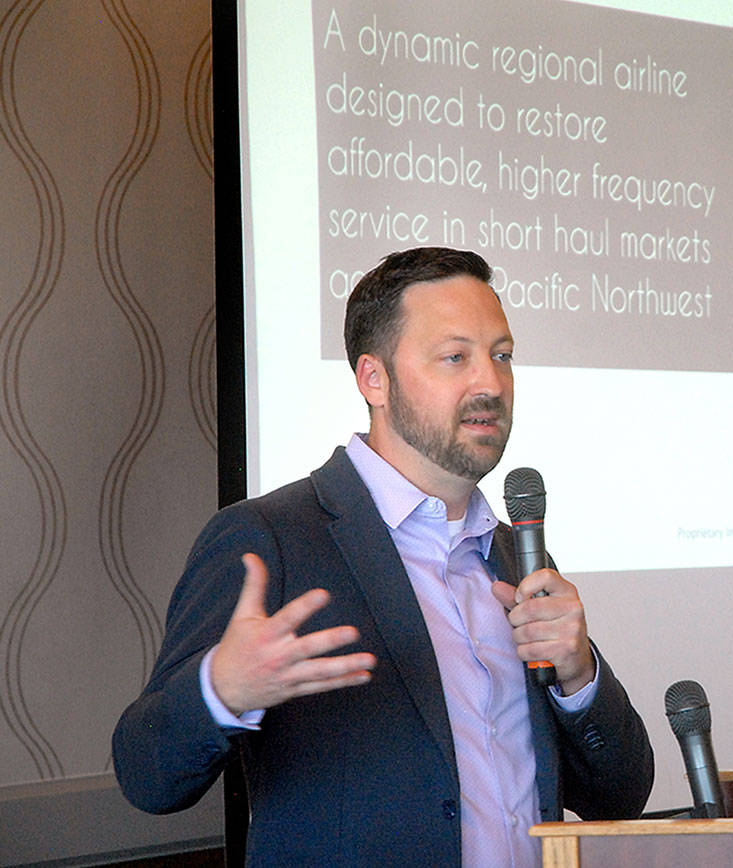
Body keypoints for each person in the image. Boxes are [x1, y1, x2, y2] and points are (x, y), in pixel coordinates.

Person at [112, 247, 654, 866]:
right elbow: (145, 776)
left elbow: (621, 795)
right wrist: (220, 690)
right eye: (455, 358)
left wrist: (579, 676)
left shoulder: (514, 554)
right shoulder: (270, 537)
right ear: (374, 379)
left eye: (501, 356)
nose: (490, 383)